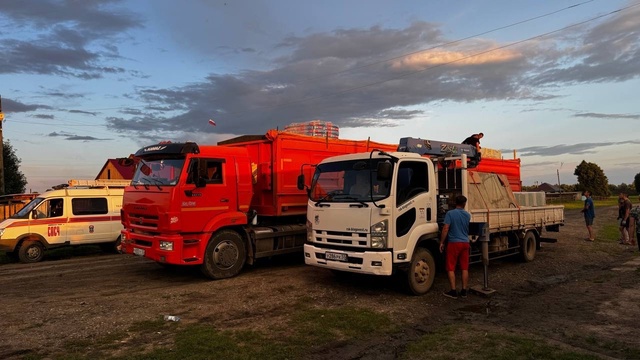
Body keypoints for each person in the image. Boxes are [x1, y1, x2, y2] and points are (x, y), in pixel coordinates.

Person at [439, 195, 471, 299]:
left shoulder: (450, 214)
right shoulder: (467, 215)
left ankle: (453, 291)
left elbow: (445, 228)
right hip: (465, 243)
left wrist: (442, 242)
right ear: (464, 204)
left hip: (454, 243)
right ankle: (464, 291)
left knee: (450, 267)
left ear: (455, 203)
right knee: (464, 267)